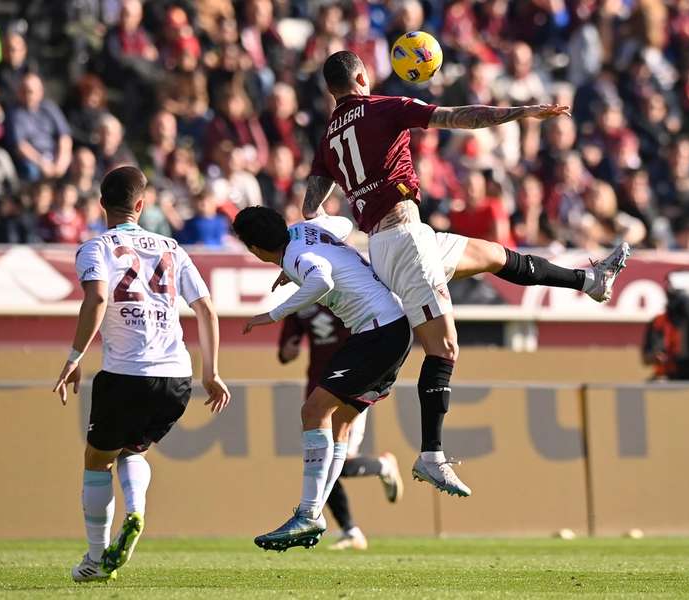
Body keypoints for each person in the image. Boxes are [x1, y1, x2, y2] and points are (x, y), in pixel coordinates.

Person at [299, 51, 631, 497]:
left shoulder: (327, 138)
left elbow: (310, 206)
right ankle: (431, 454)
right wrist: (522, 113)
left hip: (396, 237)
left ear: (330, 89)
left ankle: (589, 282)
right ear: (362, 76)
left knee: (494, 255)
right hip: (404, 239)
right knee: (445, 346)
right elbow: (458, 117)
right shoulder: (382, 106)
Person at [52, 166, 231, 582]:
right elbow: (205, 308)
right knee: (134, 449)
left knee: (97, 459)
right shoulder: (171, 246)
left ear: (101, 205)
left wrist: (75, 357)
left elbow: (97, 297)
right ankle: (135, 512)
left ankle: (96, 559)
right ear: (141, 205)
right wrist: (212, 373)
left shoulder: (95, 247)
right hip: (176, 377)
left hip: (125, 372)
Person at [235, 206, 411, 552]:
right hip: (389, 328)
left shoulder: (295, 255)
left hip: (377, 333)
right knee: (340, 423)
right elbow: (343, 224)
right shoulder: (302, 233)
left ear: (254, 249)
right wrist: (309, 257)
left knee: (313, 412)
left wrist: (273, 314)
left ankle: (308, 514)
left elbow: (322, 280)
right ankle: (312, 512)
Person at [277, 304, 403, 551]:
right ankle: (351, 531)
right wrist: (287, 350)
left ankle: (384, 466)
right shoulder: (299, 301)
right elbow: (285, 349)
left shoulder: (344, 289)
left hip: (350, 387)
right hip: (316, 394)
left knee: (338, 463)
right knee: (320, 464)